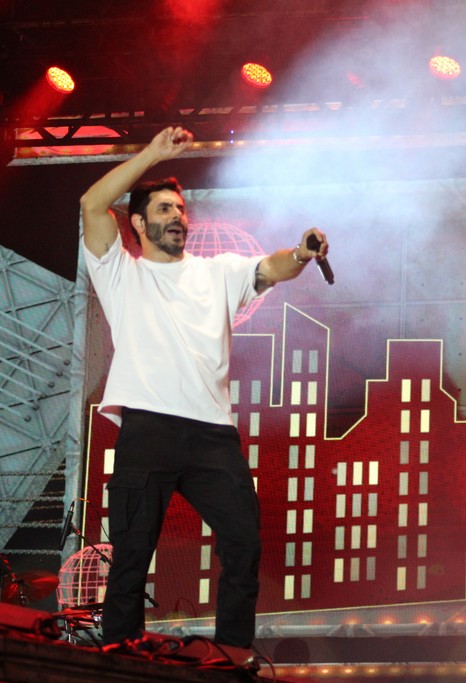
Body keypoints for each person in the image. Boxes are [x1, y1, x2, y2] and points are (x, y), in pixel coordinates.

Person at [79, 126, 328, 649]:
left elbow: (271, 267)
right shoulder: (120, 272)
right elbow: (91, 203)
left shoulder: (218, 272)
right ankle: (121, 653)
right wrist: (152, 155)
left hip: (211, 433)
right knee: (132, 551)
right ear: (139, 223)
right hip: (147, 428)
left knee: (243, 541)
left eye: (180, 209)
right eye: (164, 209)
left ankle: (231, 653)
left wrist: (301, 253)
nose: (178, 217)